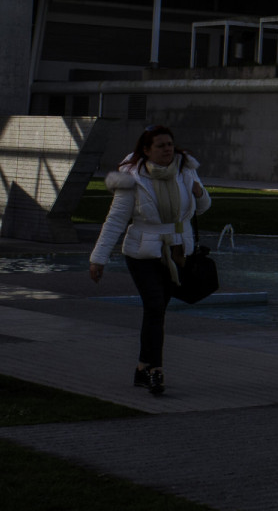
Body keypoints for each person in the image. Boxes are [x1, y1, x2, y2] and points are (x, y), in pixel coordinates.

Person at [87, 125, 211, 396]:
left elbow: (200, 208)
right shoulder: (131, 179)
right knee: (154, 307)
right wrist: (98, 258)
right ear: (146, 150)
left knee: (157, 312)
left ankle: (143, 367)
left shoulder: (185, 170)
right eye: (161, 145)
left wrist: (200, 193)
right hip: (143, 252)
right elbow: (115, 221)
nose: (168, 149)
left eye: (170, 144)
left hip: (177, 250)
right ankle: (156, 371)